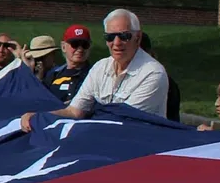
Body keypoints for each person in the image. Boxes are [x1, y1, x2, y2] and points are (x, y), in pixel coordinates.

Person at [19, 8, 169, 132]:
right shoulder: (100, 68)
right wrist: (39, 116)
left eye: (124, 36)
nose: (116, 43)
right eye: (110, 37)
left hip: (138, 145)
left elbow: (123, 121)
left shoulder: (153, 73)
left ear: (138, 37)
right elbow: (75, 111)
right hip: (103, 138)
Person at [44, 24, 92, 104]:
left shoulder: (94, 74)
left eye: (85, 45)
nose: (80, 49)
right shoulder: (53, 74)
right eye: (75, 44)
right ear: (63, 47)